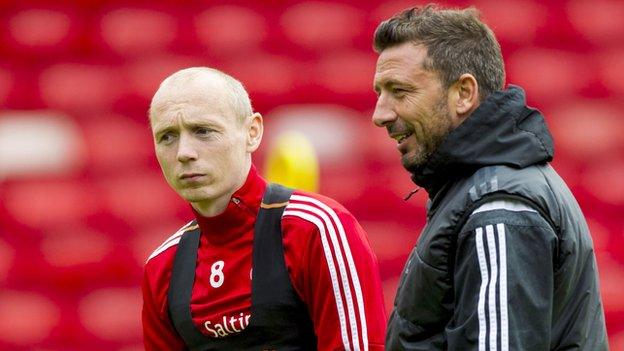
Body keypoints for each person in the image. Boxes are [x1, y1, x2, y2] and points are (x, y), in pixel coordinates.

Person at [371, 5, 608, 351]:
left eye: (400, 91)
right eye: (379, 92)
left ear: (464, 93)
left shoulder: (498, 210)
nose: (381, 114)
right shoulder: (482, 188)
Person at [141, 67, 386, 350]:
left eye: (203, 131)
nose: (184, 152)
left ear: (252, 133)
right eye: (168, 136)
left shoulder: (317, 228)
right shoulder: (162, 266)